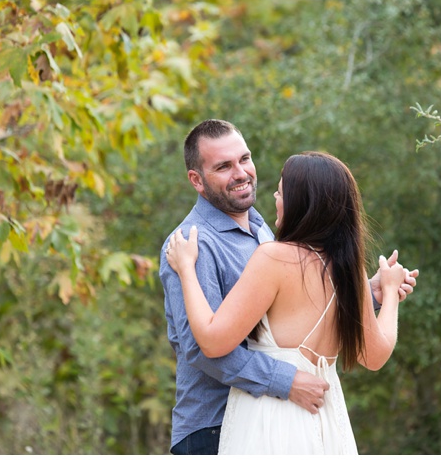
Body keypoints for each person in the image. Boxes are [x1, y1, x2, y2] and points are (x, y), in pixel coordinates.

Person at [159, 120, 418, 454]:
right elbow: (198, 347)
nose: (241, 173)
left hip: (286, 419)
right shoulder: (192, 244)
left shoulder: (266, 234)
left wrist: (365, 294)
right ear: (197, 179)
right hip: (214, 424)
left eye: (245, 159)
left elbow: (290, 308)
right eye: (224, 166)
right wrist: (285, 381)